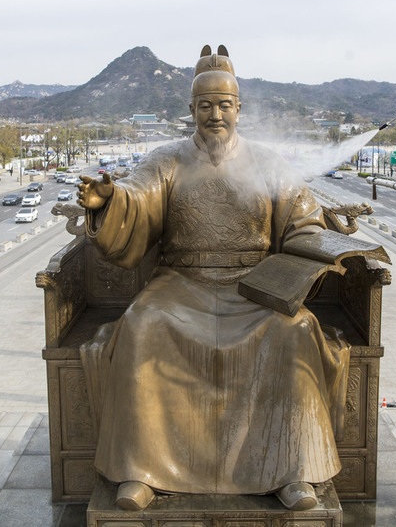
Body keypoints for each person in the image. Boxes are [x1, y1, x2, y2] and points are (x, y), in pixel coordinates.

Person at [77, 45, 350, 512]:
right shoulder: (167, 160)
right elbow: (136, 201)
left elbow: (301, 220)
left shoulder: (267, 162)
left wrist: (329, 232)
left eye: (224, 105)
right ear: (191, 111)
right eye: (205, 106)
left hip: (254, 285)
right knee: (142, 328)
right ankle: (139, 469)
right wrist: (110, 200)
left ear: (239, 109)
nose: (215, 114)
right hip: (181, 283)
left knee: (294, 330)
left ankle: (293, 471)